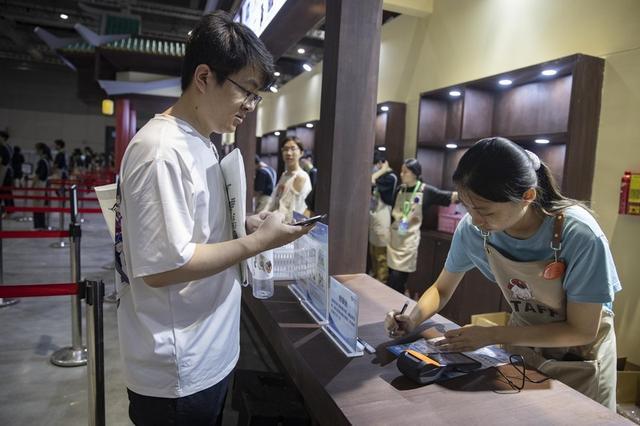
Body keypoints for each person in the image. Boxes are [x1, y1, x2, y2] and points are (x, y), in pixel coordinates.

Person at [116, 11, 310, 426]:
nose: (250, 106)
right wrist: (258, 243)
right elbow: (166, 265)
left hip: (208, 351)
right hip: (178, 369)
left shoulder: (202, 142)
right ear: (204, 77)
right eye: (247, 91)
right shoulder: (160, 151)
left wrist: (245, 226)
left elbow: (197, 233)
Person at [385, 137, 620, 410]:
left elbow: (580, 330)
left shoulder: (579, 235)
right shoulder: (474, 229)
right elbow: (442, 288)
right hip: (524, 347)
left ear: (528, 196)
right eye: (466, 206)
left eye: (484, 210)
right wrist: (412, 320)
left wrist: (493, 335)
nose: (473, 219)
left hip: (582, 358)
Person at [386, 158, 457, 295]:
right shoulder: (399, 190)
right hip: (395, 239)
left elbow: (448, 197)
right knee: (391, 277)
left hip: (409, 241)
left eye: (405, 172)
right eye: (401, 171)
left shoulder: (426, 191)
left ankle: (397, 305)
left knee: (398, 279)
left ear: (414, 173)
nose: (401, 174)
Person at [264, 136, 312, 222]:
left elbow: (299, 208)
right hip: (275, 222)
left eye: (293, 149)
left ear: (301, 153)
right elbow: (274, 200)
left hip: (289, 225)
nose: (289, 153)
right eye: (285, 149)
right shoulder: (284, 175)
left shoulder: (302, 176)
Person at [368, 152, 397, 283]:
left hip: (383, 220)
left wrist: (383, 170)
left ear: (381, 164)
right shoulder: (381, 177)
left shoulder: (390, 177)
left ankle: (382, 283)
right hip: (374, 219)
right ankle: (374, 280)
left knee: (381, 257)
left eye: (375, 165)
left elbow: (371, 180)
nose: (373, 168)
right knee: (373, 253)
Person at [32, 142, 51, 229]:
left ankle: (39, 225)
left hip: (40, 184)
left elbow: (39, 174)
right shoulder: (46, 161)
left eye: (37, 149)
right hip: (43, 185)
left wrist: (33, 183)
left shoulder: (42, 161)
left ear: (41, 150)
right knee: (40, 205)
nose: (36, 151)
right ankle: (41, 224)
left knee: (37, 205)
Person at [0, 130, 14, 210]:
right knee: (6, 192)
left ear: (3, 138)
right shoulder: (8, 147)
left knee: (5, 192)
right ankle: (9, 211)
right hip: (7, 172)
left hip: (4, 173)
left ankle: (9, 211)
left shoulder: (3, 148)